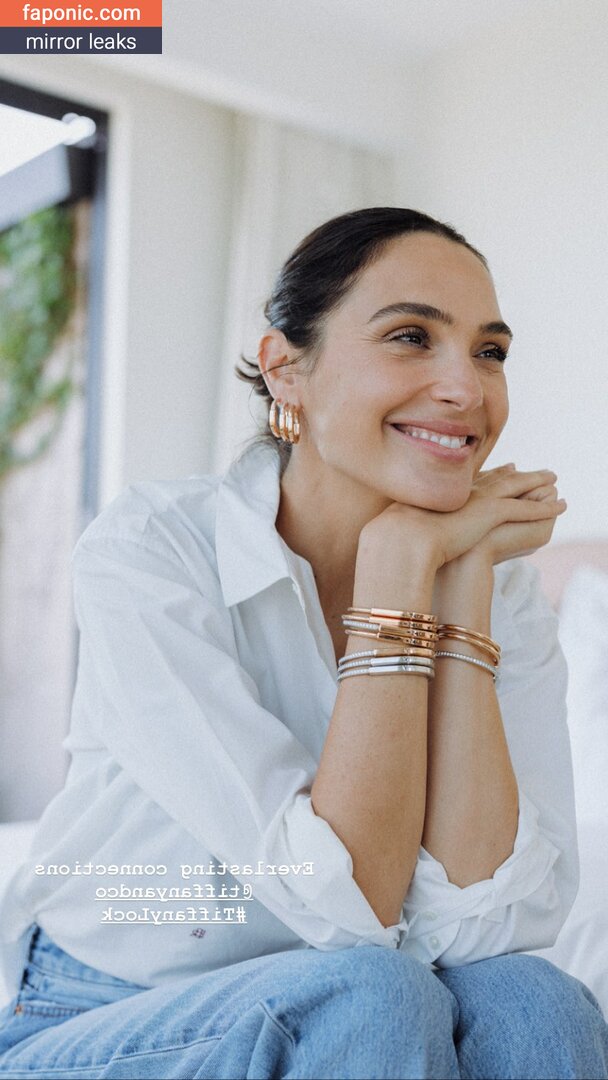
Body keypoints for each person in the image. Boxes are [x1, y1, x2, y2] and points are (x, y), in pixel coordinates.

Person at [0, 207, 606, 1080]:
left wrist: (459, 579)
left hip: (357, 1001)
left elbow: (489, 924)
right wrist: (395, 570)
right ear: (287, 370)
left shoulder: (498, 586)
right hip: (105, 1011)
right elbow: (354, 902)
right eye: (411, 337)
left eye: (490, 351)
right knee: (370, 993)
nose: (467, 388)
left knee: (537, 1001)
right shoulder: (156, 549)